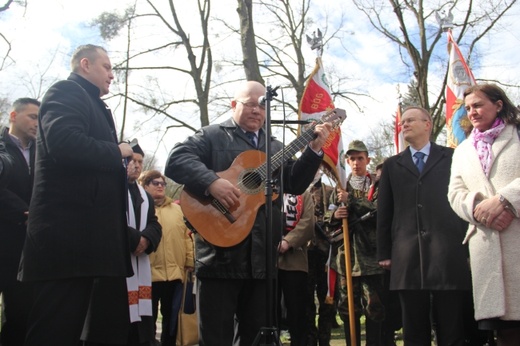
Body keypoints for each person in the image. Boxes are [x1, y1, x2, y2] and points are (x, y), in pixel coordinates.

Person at [164, 80, 332, 345]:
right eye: (250, 104)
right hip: (219, 258)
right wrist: (211, 182)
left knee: (257, 337)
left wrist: (313, 151)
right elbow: (176, 160)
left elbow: (296, 184)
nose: (257, 110)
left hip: (263, 262)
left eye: (263, 105)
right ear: (234, 105)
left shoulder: (274, 147)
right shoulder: (212, 135)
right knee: (216, 338)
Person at [18, 44, 135, 346]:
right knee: (54, 329)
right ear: (85, 64)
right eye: (107, 67)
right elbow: (64, 142)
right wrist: (117, 150)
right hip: (68, 242)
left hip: (90, 244)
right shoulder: (66, 92)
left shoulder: (93, 102)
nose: (112, 75)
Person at [376, 107, 472, 346]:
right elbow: (385, 213)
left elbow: (463, 203)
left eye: (410, 120)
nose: (404, 125)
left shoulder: (453, 157)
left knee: (451, 328)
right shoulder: (391, 165)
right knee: (414, 330)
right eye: (403, 122)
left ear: (427, 124)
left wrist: (468, 250)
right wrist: (384, 253)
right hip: (407, 258)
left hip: (448, 253)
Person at [448, 84, 520, 345]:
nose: (472, 112)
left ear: (498, 104)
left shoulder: (518, 133)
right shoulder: (463, 150)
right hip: (486, 244)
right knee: (503, 331)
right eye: (468, 108)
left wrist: (505, 200)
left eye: (477, 105)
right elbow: (455, 193)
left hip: (517, 237)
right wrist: (480, 210)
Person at [82, 142, 162, 346]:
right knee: (110, 329)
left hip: (138, 266)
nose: (136, 165)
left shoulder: (145, 196)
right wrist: (136, 239)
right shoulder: (108, 187)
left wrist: (147, 239)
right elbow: (105, 220)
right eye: (131, 160)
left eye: (140, 162)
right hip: (112, 270)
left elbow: (154, 223)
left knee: (138, 334)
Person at [326, 140, 390, 346]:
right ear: (347, 160)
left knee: (374, 307)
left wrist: (352, 200)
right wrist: (336, 214)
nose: (356, 163)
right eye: (352, 158)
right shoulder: (339, 185)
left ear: (368, 160)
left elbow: (380, 212)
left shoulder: (379, 184)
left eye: (360, 158)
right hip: (346, 258)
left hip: (372, 258)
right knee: (347, 308)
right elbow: (326, 216)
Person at [0, 97, 39, 345]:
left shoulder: (43, 153)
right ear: (14, 116)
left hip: (25, 249)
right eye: (33, 117)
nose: (38, 123)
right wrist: (25, 212)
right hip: (4, 234)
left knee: (20, 314)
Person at [140, 169, 195, 345]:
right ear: (144, 185)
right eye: (155, 183)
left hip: (174, 274)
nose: (160, 186)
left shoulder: (178, 210)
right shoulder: (141, 208)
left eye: (162, 183)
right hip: (147, 274)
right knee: (148, 319)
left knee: (172, 319)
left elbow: (186, 237)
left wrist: (189, 260)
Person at [278, 190, 315, 346]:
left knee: (297, 312)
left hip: (296, 262)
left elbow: (308, 222)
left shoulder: (303, 193)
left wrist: (288, 241)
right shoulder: (265, 187)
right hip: (267, 263)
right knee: (268, 311)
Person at [306, 178, 337, 346]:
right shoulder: (297, 190)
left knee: (327, 301)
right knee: (306, 301)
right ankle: (310, 339)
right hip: (304, 254)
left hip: (326, 253)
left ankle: (324, 340)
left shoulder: (330, 191)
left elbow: (335, 217)